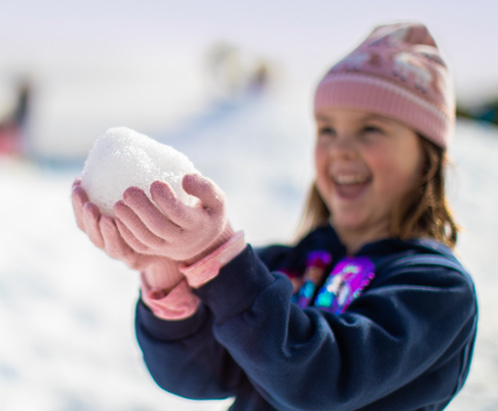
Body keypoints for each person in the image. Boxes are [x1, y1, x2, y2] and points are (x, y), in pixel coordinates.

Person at [70, 22, 478, 410]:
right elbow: (196, 374)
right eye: (326, 129)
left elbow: (320, 380)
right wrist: (167, 269)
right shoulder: (280, 267)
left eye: (371, 128)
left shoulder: (437, 289)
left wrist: (217, 258)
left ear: (427, 152)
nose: (339, 150)